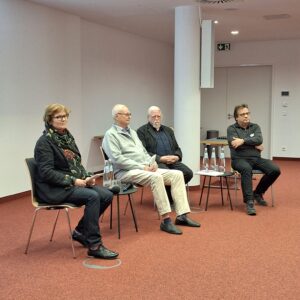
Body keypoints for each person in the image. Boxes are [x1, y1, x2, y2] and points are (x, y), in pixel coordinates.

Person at [34, 103, 118, 259]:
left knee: (106, 195)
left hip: (70, 183)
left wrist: (87, 177)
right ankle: (94, 245)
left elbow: (76, 164)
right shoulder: (44, 142)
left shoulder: (67, 137)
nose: (63, 119)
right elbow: (46, 173)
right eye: (59, 117)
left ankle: (80, 231)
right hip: (54, 189)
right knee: (92, 197)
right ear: (49, 119)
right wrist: (73, 181)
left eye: (65, 116)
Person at [102, 104, 200, 235]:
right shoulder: (110, 135)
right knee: (156, 177)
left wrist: (151, 162)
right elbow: (117, 159)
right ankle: (166, 221)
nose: (129, 116)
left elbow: (143, 152)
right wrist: (143, 167)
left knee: (177, 174)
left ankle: (182, 215)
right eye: (126, 114)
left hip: (144, 168)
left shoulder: (132, 132)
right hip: (125, 172)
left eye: (129, 113)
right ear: (116, 116)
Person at [227, 104, 281, 215]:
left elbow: (259, 140)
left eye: (247, 113)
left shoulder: (255, 127)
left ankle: (258, 193)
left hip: (256, 158)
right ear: (236, 117)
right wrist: (252, 143)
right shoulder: (231, 129)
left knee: (275, 170)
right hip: (239, 159)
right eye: (242, 114)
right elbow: (234, 143)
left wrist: (242, 141)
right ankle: (249, 201)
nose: (246, 116)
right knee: (246, 169)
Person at [137, 106, 193, 204]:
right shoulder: (141, 131)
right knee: (168, 174)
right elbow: (143, 152)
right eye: (153, 116)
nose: (156, 119)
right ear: (148, 117)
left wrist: (177, 156)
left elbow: (177, 148)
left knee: (188, 173)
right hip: (156, 162)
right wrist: (161, 158)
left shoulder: (168, 130)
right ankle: (169, 199)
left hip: (172, 160)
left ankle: (171, 193)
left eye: (158, 116)